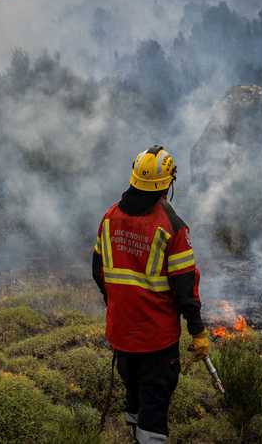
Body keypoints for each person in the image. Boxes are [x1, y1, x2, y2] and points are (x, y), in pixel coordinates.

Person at [92, 145, 209, 444]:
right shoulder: (171, 227)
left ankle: (134, 435)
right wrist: (197, 331)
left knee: (133, 396)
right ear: (167, 183)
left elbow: (98, 271)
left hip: (121, 333)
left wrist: (119, 304)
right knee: (154, 412)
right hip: (156, 341)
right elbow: (185, 288)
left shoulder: (110, 217)